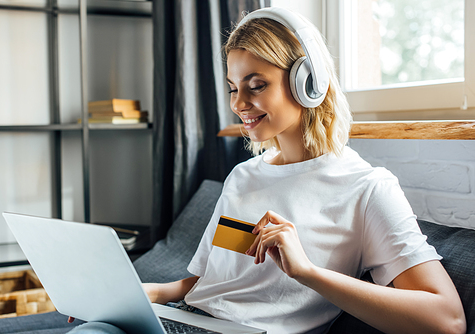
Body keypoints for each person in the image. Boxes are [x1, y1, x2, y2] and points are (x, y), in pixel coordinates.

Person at [143, 7, 466, 334]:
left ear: (307, 84)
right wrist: (152, 292)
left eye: (255, 85)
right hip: (182, 319)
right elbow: (209, 281)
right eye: (232, 87)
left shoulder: (367, 189)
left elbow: (446, 320)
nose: (238, 103)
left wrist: (306, 271)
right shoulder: (243, 176)